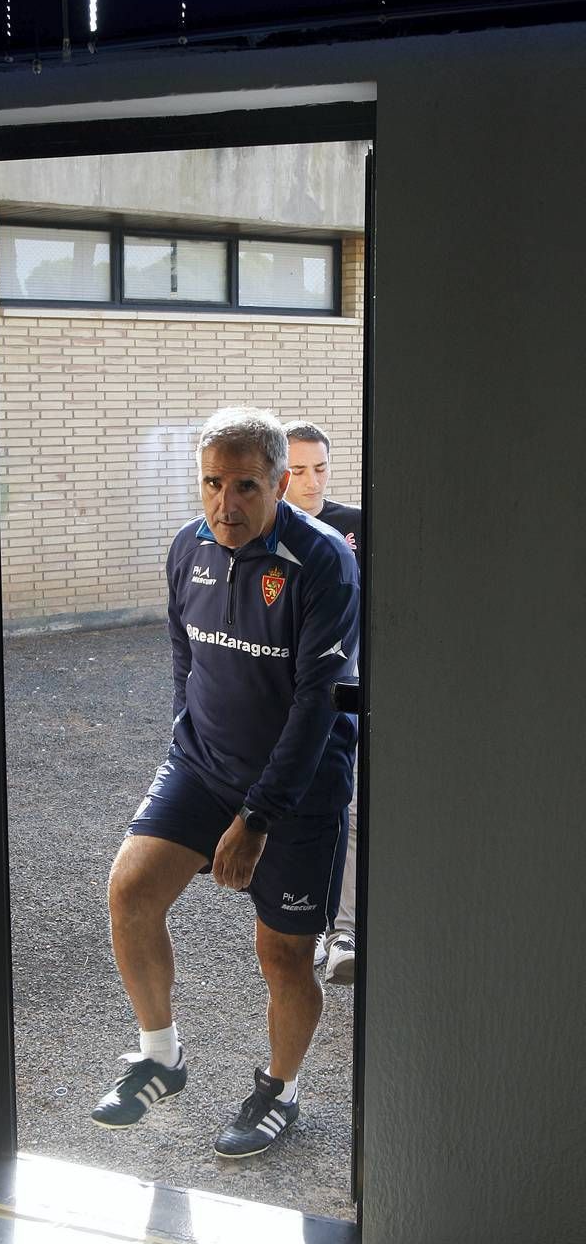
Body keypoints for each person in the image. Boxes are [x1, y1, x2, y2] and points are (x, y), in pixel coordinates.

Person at [91, 406, 359, 1158]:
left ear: (278, 483)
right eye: (212, 483)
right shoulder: (188, 548)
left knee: (281, 953)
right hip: (203, 765)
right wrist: (187, 742)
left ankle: (281, 1089)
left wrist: (258, 818)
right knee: (131, 889)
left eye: (244, 486)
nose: (224, 503)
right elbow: (185, 656)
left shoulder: (326, 561)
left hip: (298, 790)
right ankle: (160, 1057)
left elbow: (317, 703)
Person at [283, 421, 362, 984]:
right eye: (299, 470)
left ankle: (344, 930)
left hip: (350, 687)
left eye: (321, 468)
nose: (311, 482)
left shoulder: (355, 526)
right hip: (287, 701)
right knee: (299, 813)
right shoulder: (265, 533)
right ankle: (302, 927)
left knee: (349, 809)